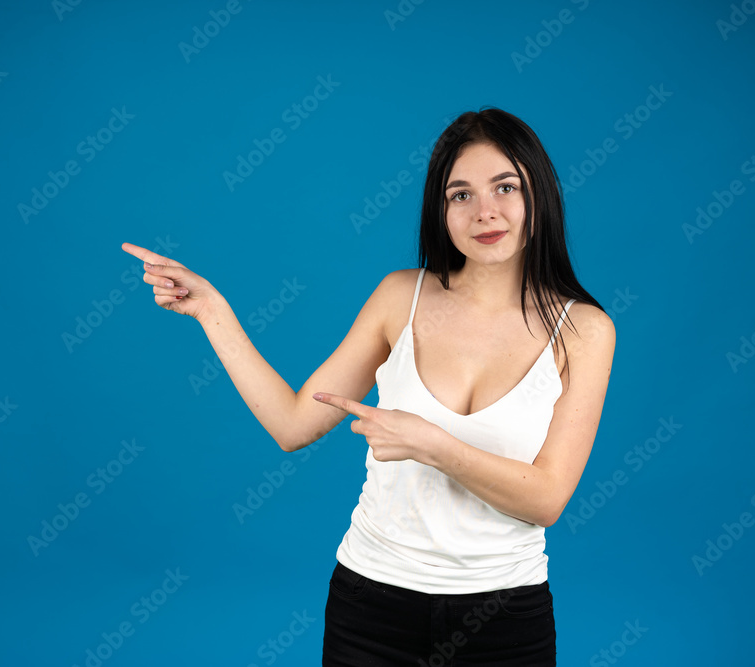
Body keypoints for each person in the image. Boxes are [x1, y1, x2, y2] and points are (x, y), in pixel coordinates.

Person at [121, 106, 615, 666]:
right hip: (372, 609)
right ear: (441, 210)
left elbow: (547, 499)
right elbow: (291, 424)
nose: (485, 211)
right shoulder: (398, 298)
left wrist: (432, 445)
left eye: (505, 186)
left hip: (504, 619)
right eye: (461, 195)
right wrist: (212, 311)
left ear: (538, 195)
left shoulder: (583, 332)